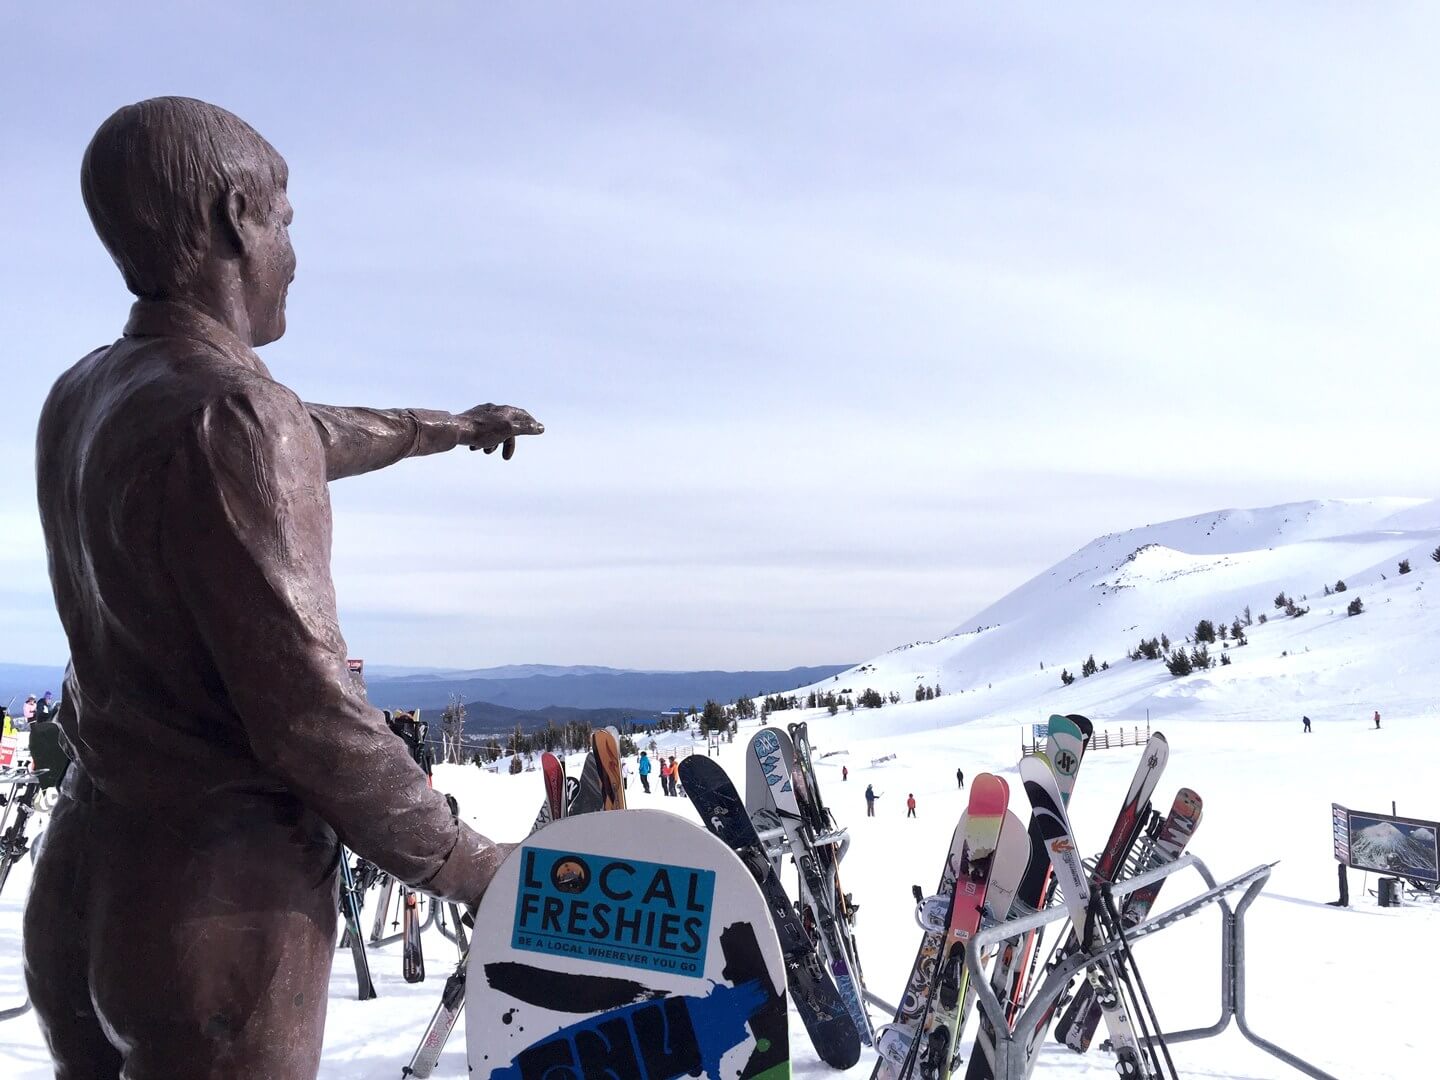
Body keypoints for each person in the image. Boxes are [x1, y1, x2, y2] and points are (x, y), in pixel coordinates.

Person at [26, 97, 543, 1080]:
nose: (294, 255)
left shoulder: (86, 391)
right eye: (285, 221)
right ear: (233, 216)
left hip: (87, 870)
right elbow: (315, 719)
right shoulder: (236, 414)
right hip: (218, 907)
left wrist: (449, 425)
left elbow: (308, 430)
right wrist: (478, 868)